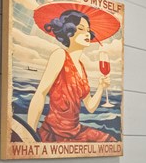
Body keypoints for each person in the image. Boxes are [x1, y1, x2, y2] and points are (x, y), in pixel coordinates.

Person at [26, 8, 115, 142]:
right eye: (81, 29)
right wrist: (30, 136)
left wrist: (101, 87)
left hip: (76, 131)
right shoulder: (60, 55)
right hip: (55, 132)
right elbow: (40, 94)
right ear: (68, 31)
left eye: (88, 30)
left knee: (110, 141)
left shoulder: (81, 67)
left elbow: (90, 107)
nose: (87, 33)